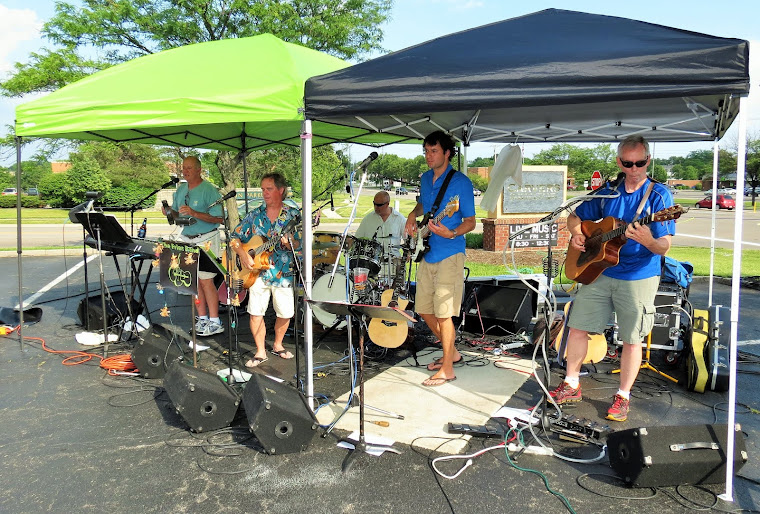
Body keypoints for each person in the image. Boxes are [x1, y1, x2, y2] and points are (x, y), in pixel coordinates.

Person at [550, 135, 675, 422]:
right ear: (619, 161)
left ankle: (623, 396)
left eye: (640, 163)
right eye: (628, 163)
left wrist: (648, 240)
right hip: (600, 271)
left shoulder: (659, 197)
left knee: (632, 339)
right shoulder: (608, 191)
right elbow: (574, 217)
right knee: (578, 326)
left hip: (638, 274)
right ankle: (571, 384)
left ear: (648, 160)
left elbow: (664, 245)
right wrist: (578, 234)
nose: (634, 169)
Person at [404, 131, 476, 387]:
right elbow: (425, 205)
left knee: (445, 314)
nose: (428, 156)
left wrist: (452, 231)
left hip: (450, 253)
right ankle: (452, 353)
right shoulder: (425, 178)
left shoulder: (461, 183)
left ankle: (448, 368)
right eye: (425, 151)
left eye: (433, 151)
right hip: (428, 250)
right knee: (423, 308)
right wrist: (413, 215)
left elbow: (470, 222)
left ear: (447, 153)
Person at [230, 173, 301, 368]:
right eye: (262, 189)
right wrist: (243, 254)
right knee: (255, 312)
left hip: (283, 271)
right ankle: (260, 351)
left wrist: (290, 244)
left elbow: (300, 244)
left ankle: (277, 344)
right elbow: (234, 237)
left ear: (281, 190)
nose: (265, 193)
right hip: (256, 273)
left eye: (269, 189)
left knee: (285, 313)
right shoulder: (255, 214)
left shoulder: (292, 215)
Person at [162, 156, 224, 337]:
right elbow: (176, 215)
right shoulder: (180, 190)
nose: (185, 171)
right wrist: (169, 212)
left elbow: (219, 218)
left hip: (206, 238)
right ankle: (202, 318)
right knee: (192, 282)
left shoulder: (209, 190)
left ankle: (215, 321)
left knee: (206, 280)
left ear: (199, 169)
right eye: (183, 168)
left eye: (189, 168)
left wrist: (195, 213)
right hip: (187, 238)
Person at [354, 190, 406, 279]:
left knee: (397, 287)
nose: (376, 207)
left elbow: (408, 241)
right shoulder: (368, 219)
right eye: (374, 204)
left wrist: (407, 253)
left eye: (379, 205)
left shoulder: (400, 219)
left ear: (387, 204)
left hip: (394, 260)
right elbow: (356, 239)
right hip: (372, 261)